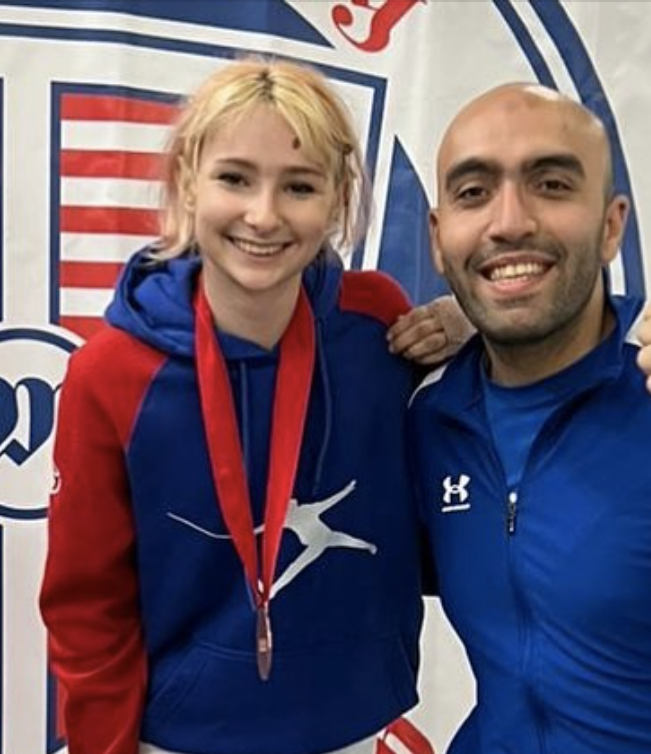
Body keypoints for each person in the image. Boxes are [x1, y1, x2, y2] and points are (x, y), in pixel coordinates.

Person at [39, 56, 469, 754]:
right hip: (181, 738)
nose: (263, 216)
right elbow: (86, 605)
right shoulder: (111, 372)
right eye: (235, 178)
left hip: (352, 724)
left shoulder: (377, 324)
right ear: (188, 180)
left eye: (298, 186)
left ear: (337, 199)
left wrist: (476, 324)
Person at [409, 82, 651, 754]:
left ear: (611, 226)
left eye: (550, 184)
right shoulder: (431, 420)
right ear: (439, 240)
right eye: (473, 192)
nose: (510, 222)